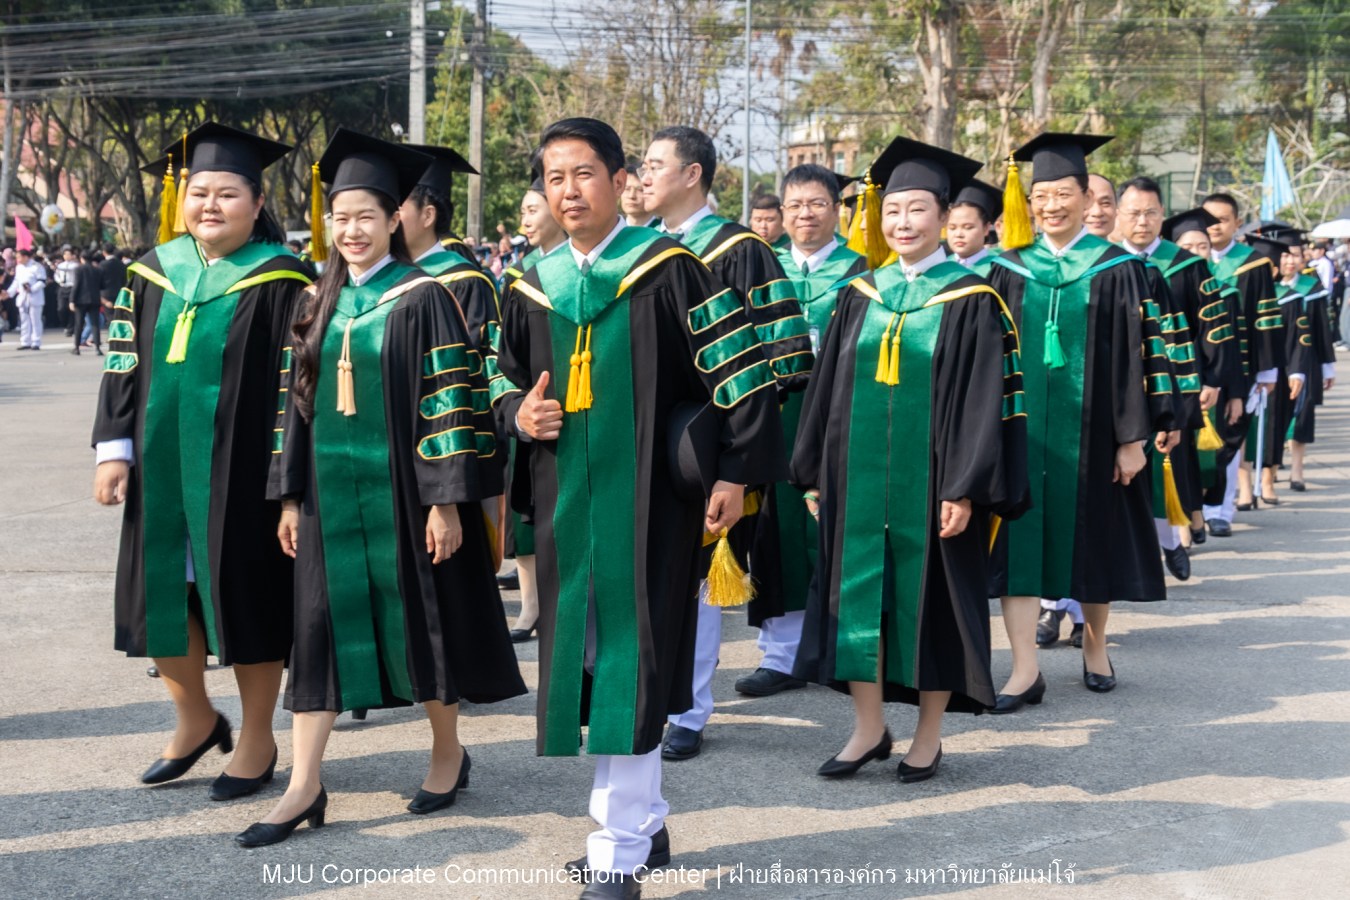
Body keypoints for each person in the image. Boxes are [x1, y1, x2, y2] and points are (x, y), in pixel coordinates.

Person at [492, 117, 784, 900]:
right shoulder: (531, 283)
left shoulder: (670, 270)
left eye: (583, 174)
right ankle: (645, 823)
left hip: (651, 508)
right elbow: (498, 376)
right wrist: (519, 411)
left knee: (632, 661)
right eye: (554, 178)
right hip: (565, 508)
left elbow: (741, 376)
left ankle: (616, 851)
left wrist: (734, 475)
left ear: (621, 181)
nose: (568, 190)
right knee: (592, 662)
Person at [244, 128, 525, 848]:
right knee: (316, 631)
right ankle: (304, 784)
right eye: (340, 217)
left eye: (367, 215)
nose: (352, 229)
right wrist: (286, 495)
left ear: (397, 218)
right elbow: (292, 404)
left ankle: (446, 749)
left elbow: (450, 399)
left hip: (407, 493)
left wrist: (444, 501)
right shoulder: (316, 299)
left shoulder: (425, 296)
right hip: (327, 499)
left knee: (419, 622)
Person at [792, 137, 1026, 784]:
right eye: (893, 210)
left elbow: (985, 403)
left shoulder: (973, 299)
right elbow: (826, 390)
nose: (902, 223)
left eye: (917, 210)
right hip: (855, 484)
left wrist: (965, 486)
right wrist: (812, 472)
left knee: (933, 610)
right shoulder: (860, 292)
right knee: (857, 600)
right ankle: (869, 729)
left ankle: (928, 735)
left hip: (935, 491)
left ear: (945, 216)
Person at [92, 123, 313, 800]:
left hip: (243, 478)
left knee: (246, 601)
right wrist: (113, 450)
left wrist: (288, 486)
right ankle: (194, 717)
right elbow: (122, 364)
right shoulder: (152, 272)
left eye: (226, 193)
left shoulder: (283, 281)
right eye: (198, 192)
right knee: (160, 599)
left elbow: (295, 392)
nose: (209, 205)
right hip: (160, 475)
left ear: (256, 201)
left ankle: (256, 737)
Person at [639, 124, 812, 762]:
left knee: (702, 575)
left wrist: (737, 445)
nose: (643, 175)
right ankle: (654, 695)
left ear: (693, 174)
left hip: (711, 437)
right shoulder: (642, 248)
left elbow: (784, 353)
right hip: (648, 438)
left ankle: (688, 708)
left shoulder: (739, 249)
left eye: (656, 164)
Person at [987, 133, 1170, 710]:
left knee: (1094, 540)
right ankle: (1023, 669)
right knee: (1016, 545)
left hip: (1094, 436)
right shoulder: (1008, 268)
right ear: (1028, 202)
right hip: (1021, 432)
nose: (1051, 205)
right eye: (1041, 195)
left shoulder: (1115, 268)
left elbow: (1137, 357)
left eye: (1064, 193)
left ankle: (1095, 645)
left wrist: (1131, 438)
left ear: (1087, 196)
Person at [735, 163, 867, 699]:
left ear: (838, 209)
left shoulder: (863, 272)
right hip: (774, 420)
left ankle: (841, 649)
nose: (805, 215)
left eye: (816, 204)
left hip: (838, 419)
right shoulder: (760, 267)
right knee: (777, 536)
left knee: (835, 531)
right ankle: (782, 656)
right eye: (795, 206)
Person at [494, 175, 568, 643]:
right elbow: (503, 362)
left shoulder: (614, 271)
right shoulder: (519, 278)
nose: (525, 218)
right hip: (533, 422)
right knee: (528, 520)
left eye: (532, 208)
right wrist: (516, 410)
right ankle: (531, 606)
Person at [1198, 192, 1283, 537]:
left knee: (1229, 436)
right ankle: (1194, 509)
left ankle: (1221, 509)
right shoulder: (1188, 257)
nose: (1214, 226)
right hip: (1195, 366)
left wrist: (1267, 371)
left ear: (1236, 223)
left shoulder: (1253, 263)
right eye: (1209, 219)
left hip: (1240, 368)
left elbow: (1266, 318)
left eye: (1222, 219)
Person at [1276, 243, 1336, 490]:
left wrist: (1327, 366)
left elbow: (1322, 328)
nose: (1290, 261)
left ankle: (1297, 472)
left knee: (1302, 417)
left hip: (1306, 360)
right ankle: (1272, 464)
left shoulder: (1311, 288)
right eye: (1285, 256)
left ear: (1304, 259)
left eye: (1296, 256)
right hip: (1275, 362)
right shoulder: (1266, 287)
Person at [946, 178, 1002, 276]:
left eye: (968, 227)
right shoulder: (941, 267)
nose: (958, 234)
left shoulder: (1000, 269)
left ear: (986, 228)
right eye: (952, 228)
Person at [9, 247, 48, 349]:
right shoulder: (19, 267)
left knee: (35, 321)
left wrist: (32, 289)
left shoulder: (37, 266)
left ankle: (36, 342)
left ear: (26, 257)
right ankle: (25, 341)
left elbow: (42, 281)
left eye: (19, 257)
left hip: (34, 297)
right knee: (24, 321)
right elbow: (16, 282)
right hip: (22, 297)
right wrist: (9, 293)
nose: (18, 260)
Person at [69, 249, 104, 356]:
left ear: (82, 258)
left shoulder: (79, 269)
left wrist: (72, 300)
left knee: (79, 324)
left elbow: (76, 285)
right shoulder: (97, 270)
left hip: (81, 300)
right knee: (95, 324)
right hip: (94, 299)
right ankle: (97, 347)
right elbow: (102, 285)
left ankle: (76, 347)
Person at [621, 159, 655, 228]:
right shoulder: (612, 231)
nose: (631, 196)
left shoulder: (664, 232)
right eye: (627, 189)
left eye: (640, 190)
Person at [56, 246, 78, 334]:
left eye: (69, 254)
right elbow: (56, 275)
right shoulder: (60, 265)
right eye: (65, 254)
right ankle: (65, 324)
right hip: (62, 287)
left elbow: (70, 270)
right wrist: (59, 280)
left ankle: (71, 327)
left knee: (71, 308)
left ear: (72, 255)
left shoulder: (75, 265)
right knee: (61, 308)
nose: (67, 256)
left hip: (71, 287)